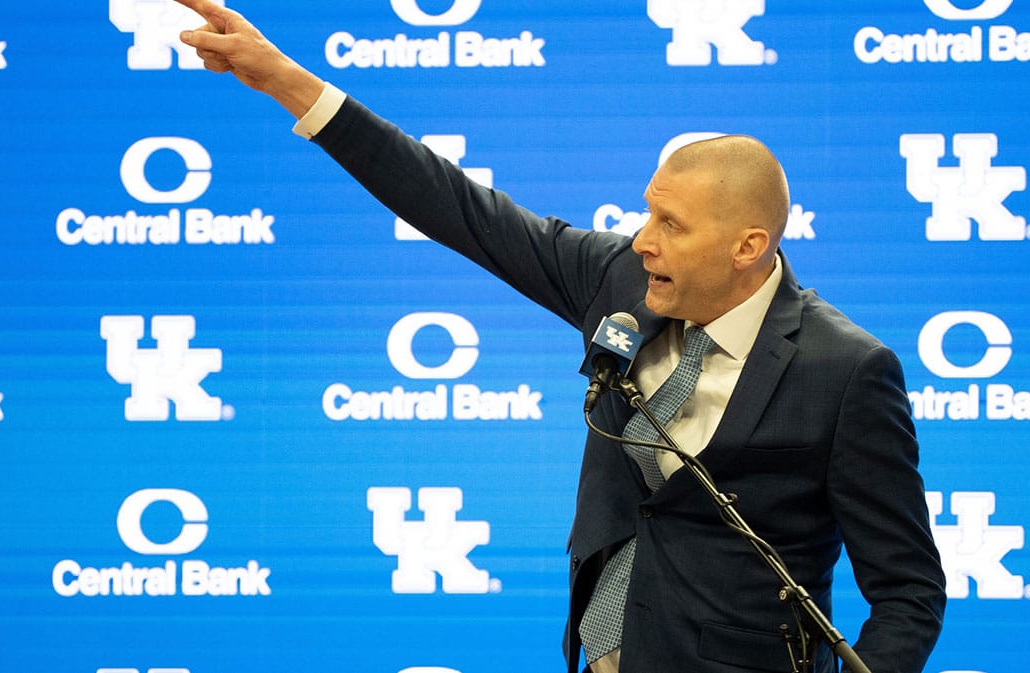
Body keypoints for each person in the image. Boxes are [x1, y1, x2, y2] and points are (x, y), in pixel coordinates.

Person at [173, 1, 947, 671]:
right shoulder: (618, 281)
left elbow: (908, 589)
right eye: (648, 211)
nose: (643, 239)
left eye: (670, 225)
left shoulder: (845, 370)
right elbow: (457, 208)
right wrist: (285, 81)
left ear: (748, 246)